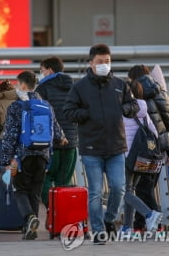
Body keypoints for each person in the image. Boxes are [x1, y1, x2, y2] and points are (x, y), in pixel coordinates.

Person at [62, 44, 139, 244]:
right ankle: (97, 231)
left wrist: (126, 109)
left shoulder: (120, 85)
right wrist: (86, 114)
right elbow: (68, 111)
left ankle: (109, 219)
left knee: (119, 188)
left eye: (107, 61)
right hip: (91, 148)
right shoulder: (80, 87)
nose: (104, 65)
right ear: (91, 63)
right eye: (100, 62)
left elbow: (134, 105)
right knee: (95, 192)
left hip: (116, 147)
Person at [0, 71, 66, 240]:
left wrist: (7, 159)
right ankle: (31, 231)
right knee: (35, 192)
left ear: (22, 85)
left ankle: (29, 218)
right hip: (43, 155)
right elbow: (57, 131)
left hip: (23, 156)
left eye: (17, 84)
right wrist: (62, 139)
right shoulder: (46, 105)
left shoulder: (15, 106)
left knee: (20, 189)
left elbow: (10, 135)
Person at [127, 64, 169, 233]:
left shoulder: (140, 97)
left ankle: (155, 224)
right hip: (158, 149)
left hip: (144, 149)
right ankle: (139, 225)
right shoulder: (161, 93)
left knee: (142, 188)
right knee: (146, 187)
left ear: (134, 79)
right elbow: (167, 124)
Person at [120, 80, 163, 235]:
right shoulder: (144, 111)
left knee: (124, 192)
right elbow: (155, 134)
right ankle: (126, 228)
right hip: (142, 159)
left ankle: (149, 214)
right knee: (130, 191)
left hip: (126, 155)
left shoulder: (123, 110)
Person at [35, 56, 77, 215]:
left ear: (49, 70)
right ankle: (63, 217)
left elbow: (39, 116)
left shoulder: (42, 89)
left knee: (43, 179)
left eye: (42, 70)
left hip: (50, 143)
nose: (41, 74)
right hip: (71, 142)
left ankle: (54, 210)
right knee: (63, 182)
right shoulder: (73, 87)